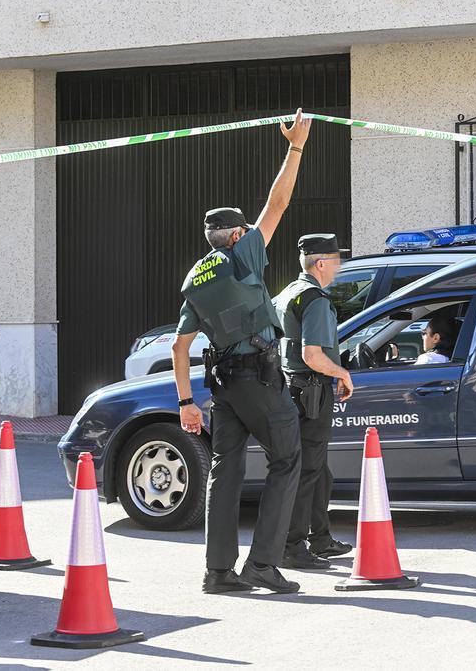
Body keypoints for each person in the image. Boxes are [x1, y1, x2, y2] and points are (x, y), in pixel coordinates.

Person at [172, 108, 312, 594]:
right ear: (236, 235)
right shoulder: (243, 254)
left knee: (224, 471)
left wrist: (187, 403)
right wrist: (295, 147)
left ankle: (218, 572)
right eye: (245, 231)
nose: (252, 233)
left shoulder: (199, 275)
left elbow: (180, 344)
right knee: (287, 459)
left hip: (221, 387)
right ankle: (263, 564)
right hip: (258, 378)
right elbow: (277, 205)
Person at [273, 234, 356, 570]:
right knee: (308, 470)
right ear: (321, 263)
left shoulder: (287, 293)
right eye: (336, 260)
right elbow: (312, 355)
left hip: (292, 388)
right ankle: (292, 546)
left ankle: (320, 538)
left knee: (319, 470)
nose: (339, 266)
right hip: (312, 390)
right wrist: (342, 373)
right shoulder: (315, 299)